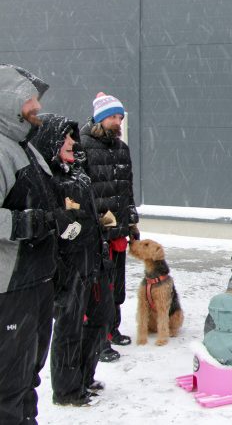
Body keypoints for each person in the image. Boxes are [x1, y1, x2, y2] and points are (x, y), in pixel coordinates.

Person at [0, 64, 64, 423]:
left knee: (28, 379)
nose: (37, 106)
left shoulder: (27, 148)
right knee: (8, 385)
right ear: (8, 100)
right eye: (30, 100)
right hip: (9, 290)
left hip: (37, 282)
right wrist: (31, 221)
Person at [29, 114, 104, 406]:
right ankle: (67, 391)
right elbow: (58, 229)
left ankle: (84, 377)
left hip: (92, 261)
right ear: (51, 143)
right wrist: (71, 223)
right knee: (69, 328)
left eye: (73, 137)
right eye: (66, 138)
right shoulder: (48, 179)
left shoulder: (78, 172)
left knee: (100, 319)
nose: (73, 142)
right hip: (69, 268)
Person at [80, 92, 139, 362]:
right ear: (101, 118)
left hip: (119, 231)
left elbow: (126, 189)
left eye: (120, 117)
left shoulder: (121, 148)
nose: (118, 122)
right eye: (113, 117)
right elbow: (80, 190)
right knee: (99, 288)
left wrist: (132, 220)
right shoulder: (83, 145)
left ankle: (112, 329)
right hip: (96, 232)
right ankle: (98, 339)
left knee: (116, 285)